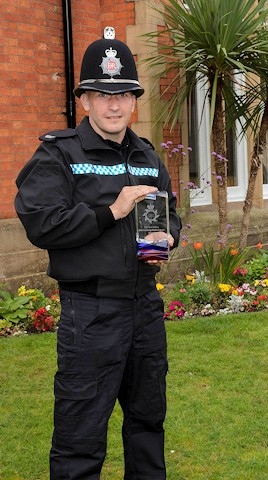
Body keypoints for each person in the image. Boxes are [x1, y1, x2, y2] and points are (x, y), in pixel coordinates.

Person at [15, 29, 181, 480]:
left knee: (148, 423)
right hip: (90, 313)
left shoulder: (148, 156)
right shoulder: (59, 155)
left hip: (144, 306)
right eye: (102, 94)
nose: (114, 105)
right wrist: (112, 211)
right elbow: (41, 222)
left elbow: (172, 214)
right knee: (80, 437)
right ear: (84, 100)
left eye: (124, 95)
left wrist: (168, 236)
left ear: (134, 101)